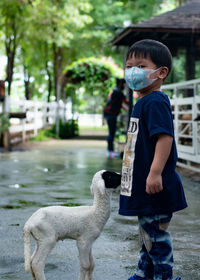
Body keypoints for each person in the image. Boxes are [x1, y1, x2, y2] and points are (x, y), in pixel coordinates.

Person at [119, 39, 187, 280]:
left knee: (156, 237)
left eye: (140, 65)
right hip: (144, 185)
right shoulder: (143, 102)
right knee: (147, 233)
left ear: (161, 72)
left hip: (155, 186)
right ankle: (144, 272)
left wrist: (155, 172)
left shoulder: (155, 101)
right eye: (129, 66)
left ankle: (164, 276)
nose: (132, 71)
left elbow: (164, 138)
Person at [104, 78, 129, 158]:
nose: (125, 86)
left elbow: (120, 104)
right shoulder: (118, 92)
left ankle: (110, 151)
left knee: (111, 132)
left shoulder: (115, 90)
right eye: (124, 84)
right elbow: (126, 102)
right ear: (121, 84)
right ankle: (110, 151)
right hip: (111, 114)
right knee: (112, 133)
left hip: (109, 114)